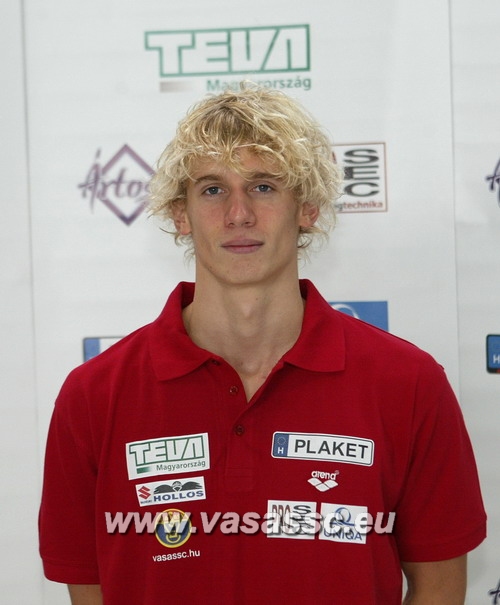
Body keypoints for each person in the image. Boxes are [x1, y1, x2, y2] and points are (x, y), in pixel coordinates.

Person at [39, 84, 486, 605]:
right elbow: (89, 586)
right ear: (180, 214)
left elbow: (439, 585)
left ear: (307, 207)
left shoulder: (407, 382)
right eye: (212, 189)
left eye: (264, 186)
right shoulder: (94, 394)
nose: (239, 214)